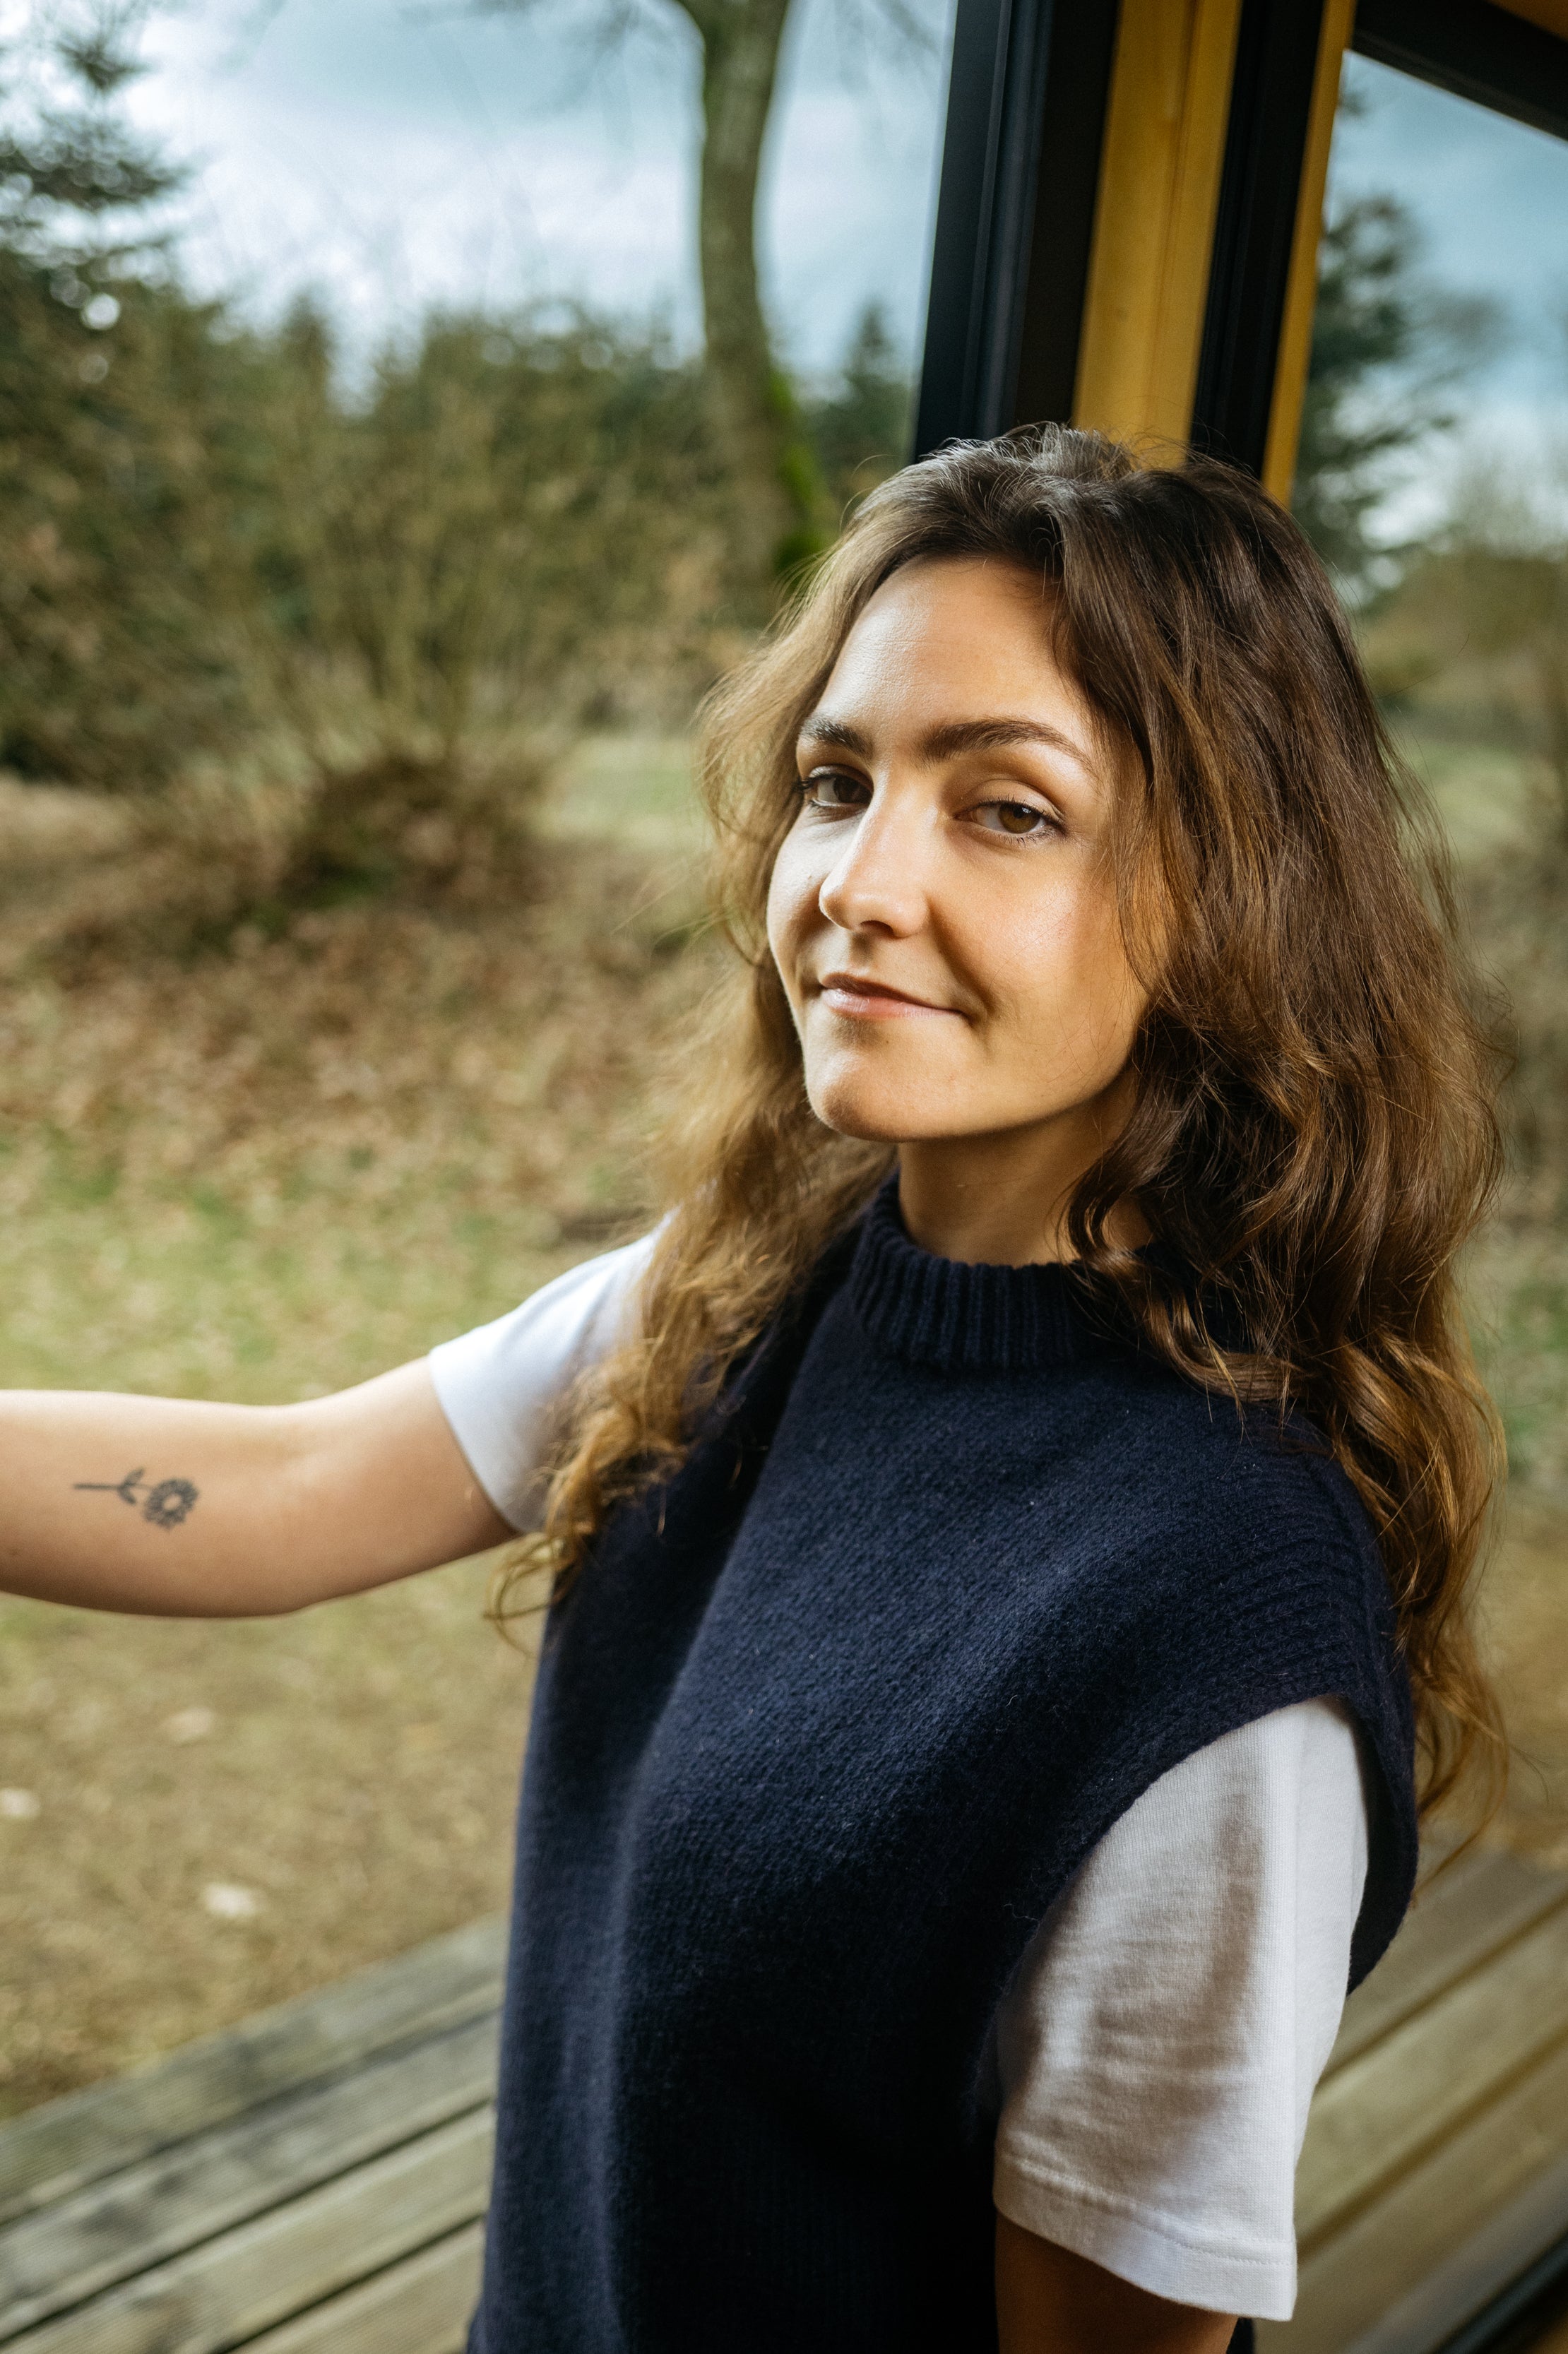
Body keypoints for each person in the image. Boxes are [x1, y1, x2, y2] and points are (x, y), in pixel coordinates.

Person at [0, 429, 1503, 2354]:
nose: (857, 884)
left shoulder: (1214, 1643)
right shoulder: (738, 1296)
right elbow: (287, 1489)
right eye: (837, 781)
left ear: (1230, 903)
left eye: (1008, 810)